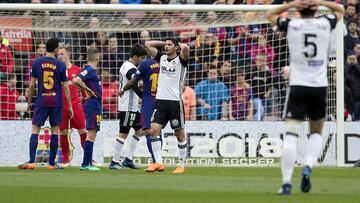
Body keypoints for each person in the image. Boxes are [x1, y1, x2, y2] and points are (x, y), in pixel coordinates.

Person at [267, 0, 344, 195]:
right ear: (316, 9)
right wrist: (318, 2)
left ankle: (286, 183)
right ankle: (308, 165)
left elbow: (270, 14)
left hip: (298, 86)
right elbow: (340, 9)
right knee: (316, 132)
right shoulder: (325, 23)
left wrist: (292, 4)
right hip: (319, 86)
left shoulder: (292, 24)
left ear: (299, 10)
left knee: (291, 134)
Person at [18, 38, 73, 170]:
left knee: (35, 130)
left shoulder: (36, 63)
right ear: (55, 49)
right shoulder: (61, 65)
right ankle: (51, 163)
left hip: (41, 101)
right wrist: (70, 105)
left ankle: (31, 161)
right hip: (56, 102)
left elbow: (31, 85)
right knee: (55, 130)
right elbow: (66, 87)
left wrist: (29, 102)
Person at [144, 38, 190, 174]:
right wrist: (164, 43)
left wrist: (178, 45)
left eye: (170, 45)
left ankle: (181, 165)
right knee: (153, 130)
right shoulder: (162, 58)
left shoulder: (182, 60)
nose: (166, 47)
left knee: (180, 135)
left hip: (175, 102)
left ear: (176, 48)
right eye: (166, 45)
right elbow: (147, 44)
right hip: (161, 102)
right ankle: (158, 163)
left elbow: (186, 48)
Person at [108, 44, 147, 170]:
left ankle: (128, 160)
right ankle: (114, 162)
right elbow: (133, 84)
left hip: (133, 106)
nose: (142, 60)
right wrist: (143, 96)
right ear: (135, 57)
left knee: (140, 131)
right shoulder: (131, 69)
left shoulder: (126, 64)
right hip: (128, 106)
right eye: (141, 58)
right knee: (123, 133)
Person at [122, 57, 161, 166]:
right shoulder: (164, 63)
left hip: (148, 100)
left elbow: (133, 82)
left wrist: (123, 89)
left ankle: (154, 161)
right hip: (161, 99)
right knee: (157, 131)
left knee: (148, 131)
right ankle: (158, 160)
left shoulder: (145, 64)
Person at [73, 47, 102, 171]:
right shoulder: (89, 70)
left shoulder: (92, 72)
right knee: (91, 135)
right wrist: (88, 90)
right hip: (92, 105)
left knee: (92, 134)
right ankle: (86, 164)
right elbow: (76, 80)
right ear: (97, 57)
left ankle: (88, 163)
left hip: (96, 105)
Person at [57, 46, 87, 167]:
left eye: (62, 54)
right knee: (63, 132)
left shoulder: (77, 70)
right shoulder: (57, 71)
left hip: (75, 104)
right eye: (58, 54)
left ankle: (88, 158)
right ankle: (65, 160)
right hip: (61, 105)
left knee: (82, 131)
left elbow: (83, 87)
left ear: (68, 55)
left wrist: (86, 99)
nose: (59, 56)